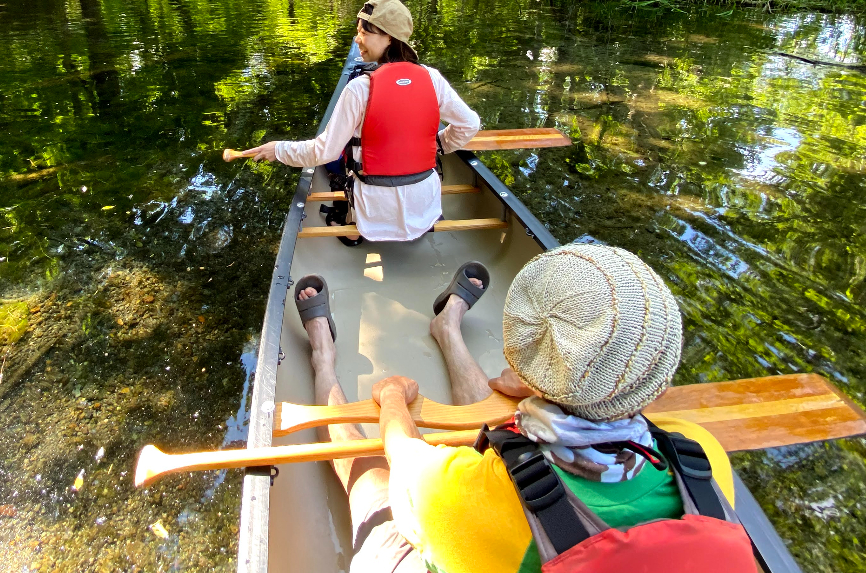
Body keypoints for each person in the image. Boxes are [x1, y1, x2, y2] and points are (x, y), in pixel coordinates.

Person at [293, 244, 760, 573]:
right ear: (655, 391)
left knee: (375, 481)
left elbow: (401, 452)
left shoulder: (460, 495)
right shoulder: (700, 457)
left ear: (522, 364)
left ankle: (323, 362)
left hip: (468, 519)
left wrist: (392, 396)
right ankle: (448, 329)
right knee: (519, 448)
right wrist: (542, 392)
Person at [245, 0, 481, 242]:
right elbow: (469, 125)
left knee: (336, 162)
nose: (357, 39)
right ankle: (414, 225)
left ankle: (349, 219)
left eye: (364, 32)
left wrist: (279, 149)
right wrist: (439, 146)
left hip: (373, 218)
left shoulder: (359, 89)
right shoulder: (433, 79)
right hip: (425, 211)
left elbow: (324, 152)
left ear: (389, 37)